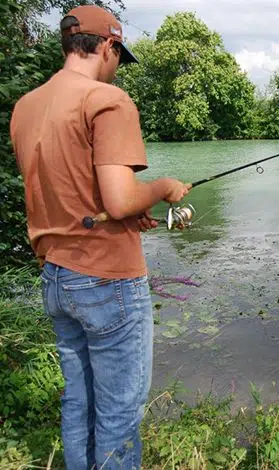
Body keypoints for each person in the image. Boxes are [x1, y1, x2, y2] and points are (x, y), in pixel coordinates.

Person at [10, 4, 190, 469]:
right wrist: (161, 189)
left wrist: (131, 214)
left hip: (55, 277)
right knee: (119, 413)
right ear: (108, 45)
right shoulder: (107, 100)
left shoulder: (26, 106)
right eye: (118, 55)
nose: (117, 68)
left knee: (79, 401)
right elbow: (116, 198)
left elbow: (68, 197)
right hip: (108, 280)